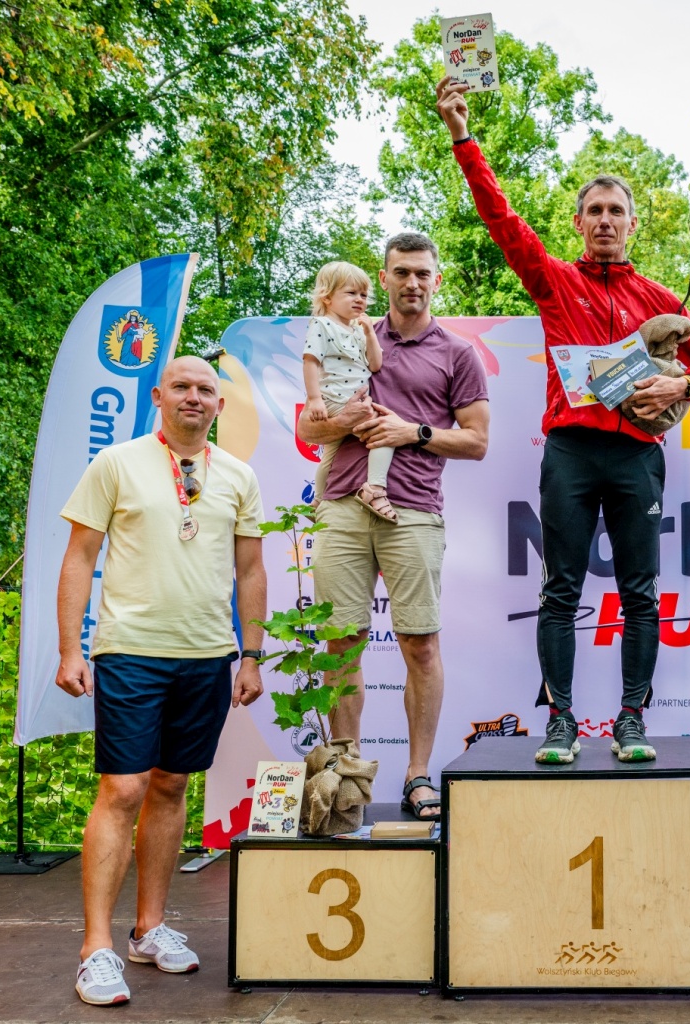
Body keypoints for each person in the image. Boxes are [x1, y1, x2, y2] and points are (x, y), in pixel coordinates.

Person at [436, 76, 690, 766]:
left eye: (615, 211)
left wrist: (682, 382)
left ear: (632, 224)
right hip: (569, 451)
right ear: (578, 224)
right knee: (560, 591)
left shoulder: (658, 298)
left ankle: (631, 720)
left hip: (636, 457)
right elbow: (502, 221)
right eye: (593, 210)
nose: (604, 220)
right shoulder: (554, 281)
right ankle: (561, 722)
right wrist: (462, 137)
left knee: (640, 594)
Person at [54, 356, 267, 1006]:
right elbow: (79, 557)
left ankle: (149, 929)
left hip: (207, 655)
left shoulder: (238, 476)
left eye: (206, 389)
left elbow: (251, 571)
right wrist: (70, 650)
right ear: (158, 396)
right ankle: (96, 949)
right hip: (130, 652)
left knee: (172, 786)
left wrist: (252, 655)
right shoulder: (116, 463)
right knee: (123, 788)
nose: (194, 397)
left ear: (219, 405)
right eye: (182, 386)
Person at [296, 231, 490, 820]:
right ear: (382, 279)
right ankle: (346, 780)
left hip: (414, 510)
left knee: (420, 646)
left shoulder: (458, 353)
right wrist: (346, 421)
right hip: (340, 506)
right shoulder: (346, 332)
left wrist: (413, 432)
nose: (412, 282)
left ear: (436, 280)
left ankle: (417, 775)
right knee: (341, 644)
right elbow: (308, 428)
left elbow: (477, 441)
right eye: (401, 272)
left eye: (422, 273)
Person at [300, 260, 397, 520]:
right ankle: (374, 489)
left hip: (350, 400)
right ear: (327, 297)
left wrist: (370, 333)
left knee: (331, 455)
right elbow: (310, 362)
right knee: (385, 433)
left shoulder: (357, 329)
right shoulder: (322, 324)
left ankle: (317, 502)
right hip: (336, 399)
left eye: (363, 295)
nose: (359, 300)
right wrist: (315, 399)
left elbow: (375, 364)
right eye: (351, 293)